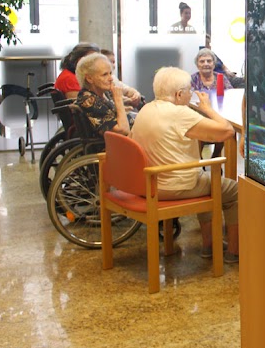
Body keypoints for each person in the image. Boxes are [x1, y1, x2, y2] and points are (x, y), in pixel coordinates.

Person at [131, 67, 239, 263]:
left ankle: (209, 245)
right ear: (179, 94)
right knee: (233, 191)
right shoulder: (180, 113)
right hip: (174, 186)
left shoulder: (146, 109)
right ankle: (234, 251)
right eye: (189, 90)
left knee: (206, 181)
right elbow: (227, 131)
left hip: (148, 183)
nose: (191, 94)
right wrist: (207, 108)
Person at [74, 53, 133, 137]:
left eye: (110, 73)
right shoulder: (89, 100)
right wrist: (118, 100)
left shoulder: (104, 93)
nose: (111, 78)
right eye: (105, 74)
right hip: (117, 142)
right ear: (89, 78)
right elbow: (123, 130)